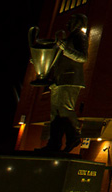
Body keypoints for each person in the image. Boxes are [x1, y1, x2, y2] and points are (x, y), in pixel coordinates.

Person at [39, 14, 89, 152]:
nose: (68, 22)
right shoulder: (69, 38)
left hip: (70, 79)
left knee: (65, 109)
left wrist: (64, 48)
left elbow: (83, 57)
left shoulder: (80, 36)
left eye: (72, 20)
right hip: (59, 80)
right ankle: (54, 144)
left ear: (78, 22)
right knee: (55, 114)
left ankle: (74, 135)